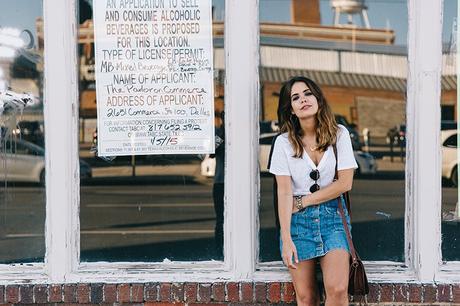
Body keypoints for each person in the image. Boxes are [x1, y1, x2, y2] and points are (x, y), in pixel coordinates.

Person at [269, 76, 358, 306]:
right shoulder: (283, 143)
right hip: (298, 224)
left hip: (333, 219)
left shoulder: (339, 134)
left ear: (318, 98)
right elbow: (284, 192)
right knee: (307, 297)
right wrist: (286, 238)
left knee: (338, 289)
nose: (303, 100)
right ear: (291, 110)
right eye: (295, 98)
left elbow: (344, 183)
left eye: (308, 93)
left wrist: (304, 201)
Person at [210, 111, 225, 257]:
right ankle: (219, 250)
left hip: (232, 184)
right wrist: (223, 133)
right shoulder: (219, 135)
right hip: (221, 182)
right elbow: (211, 152)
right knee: (221, 219)